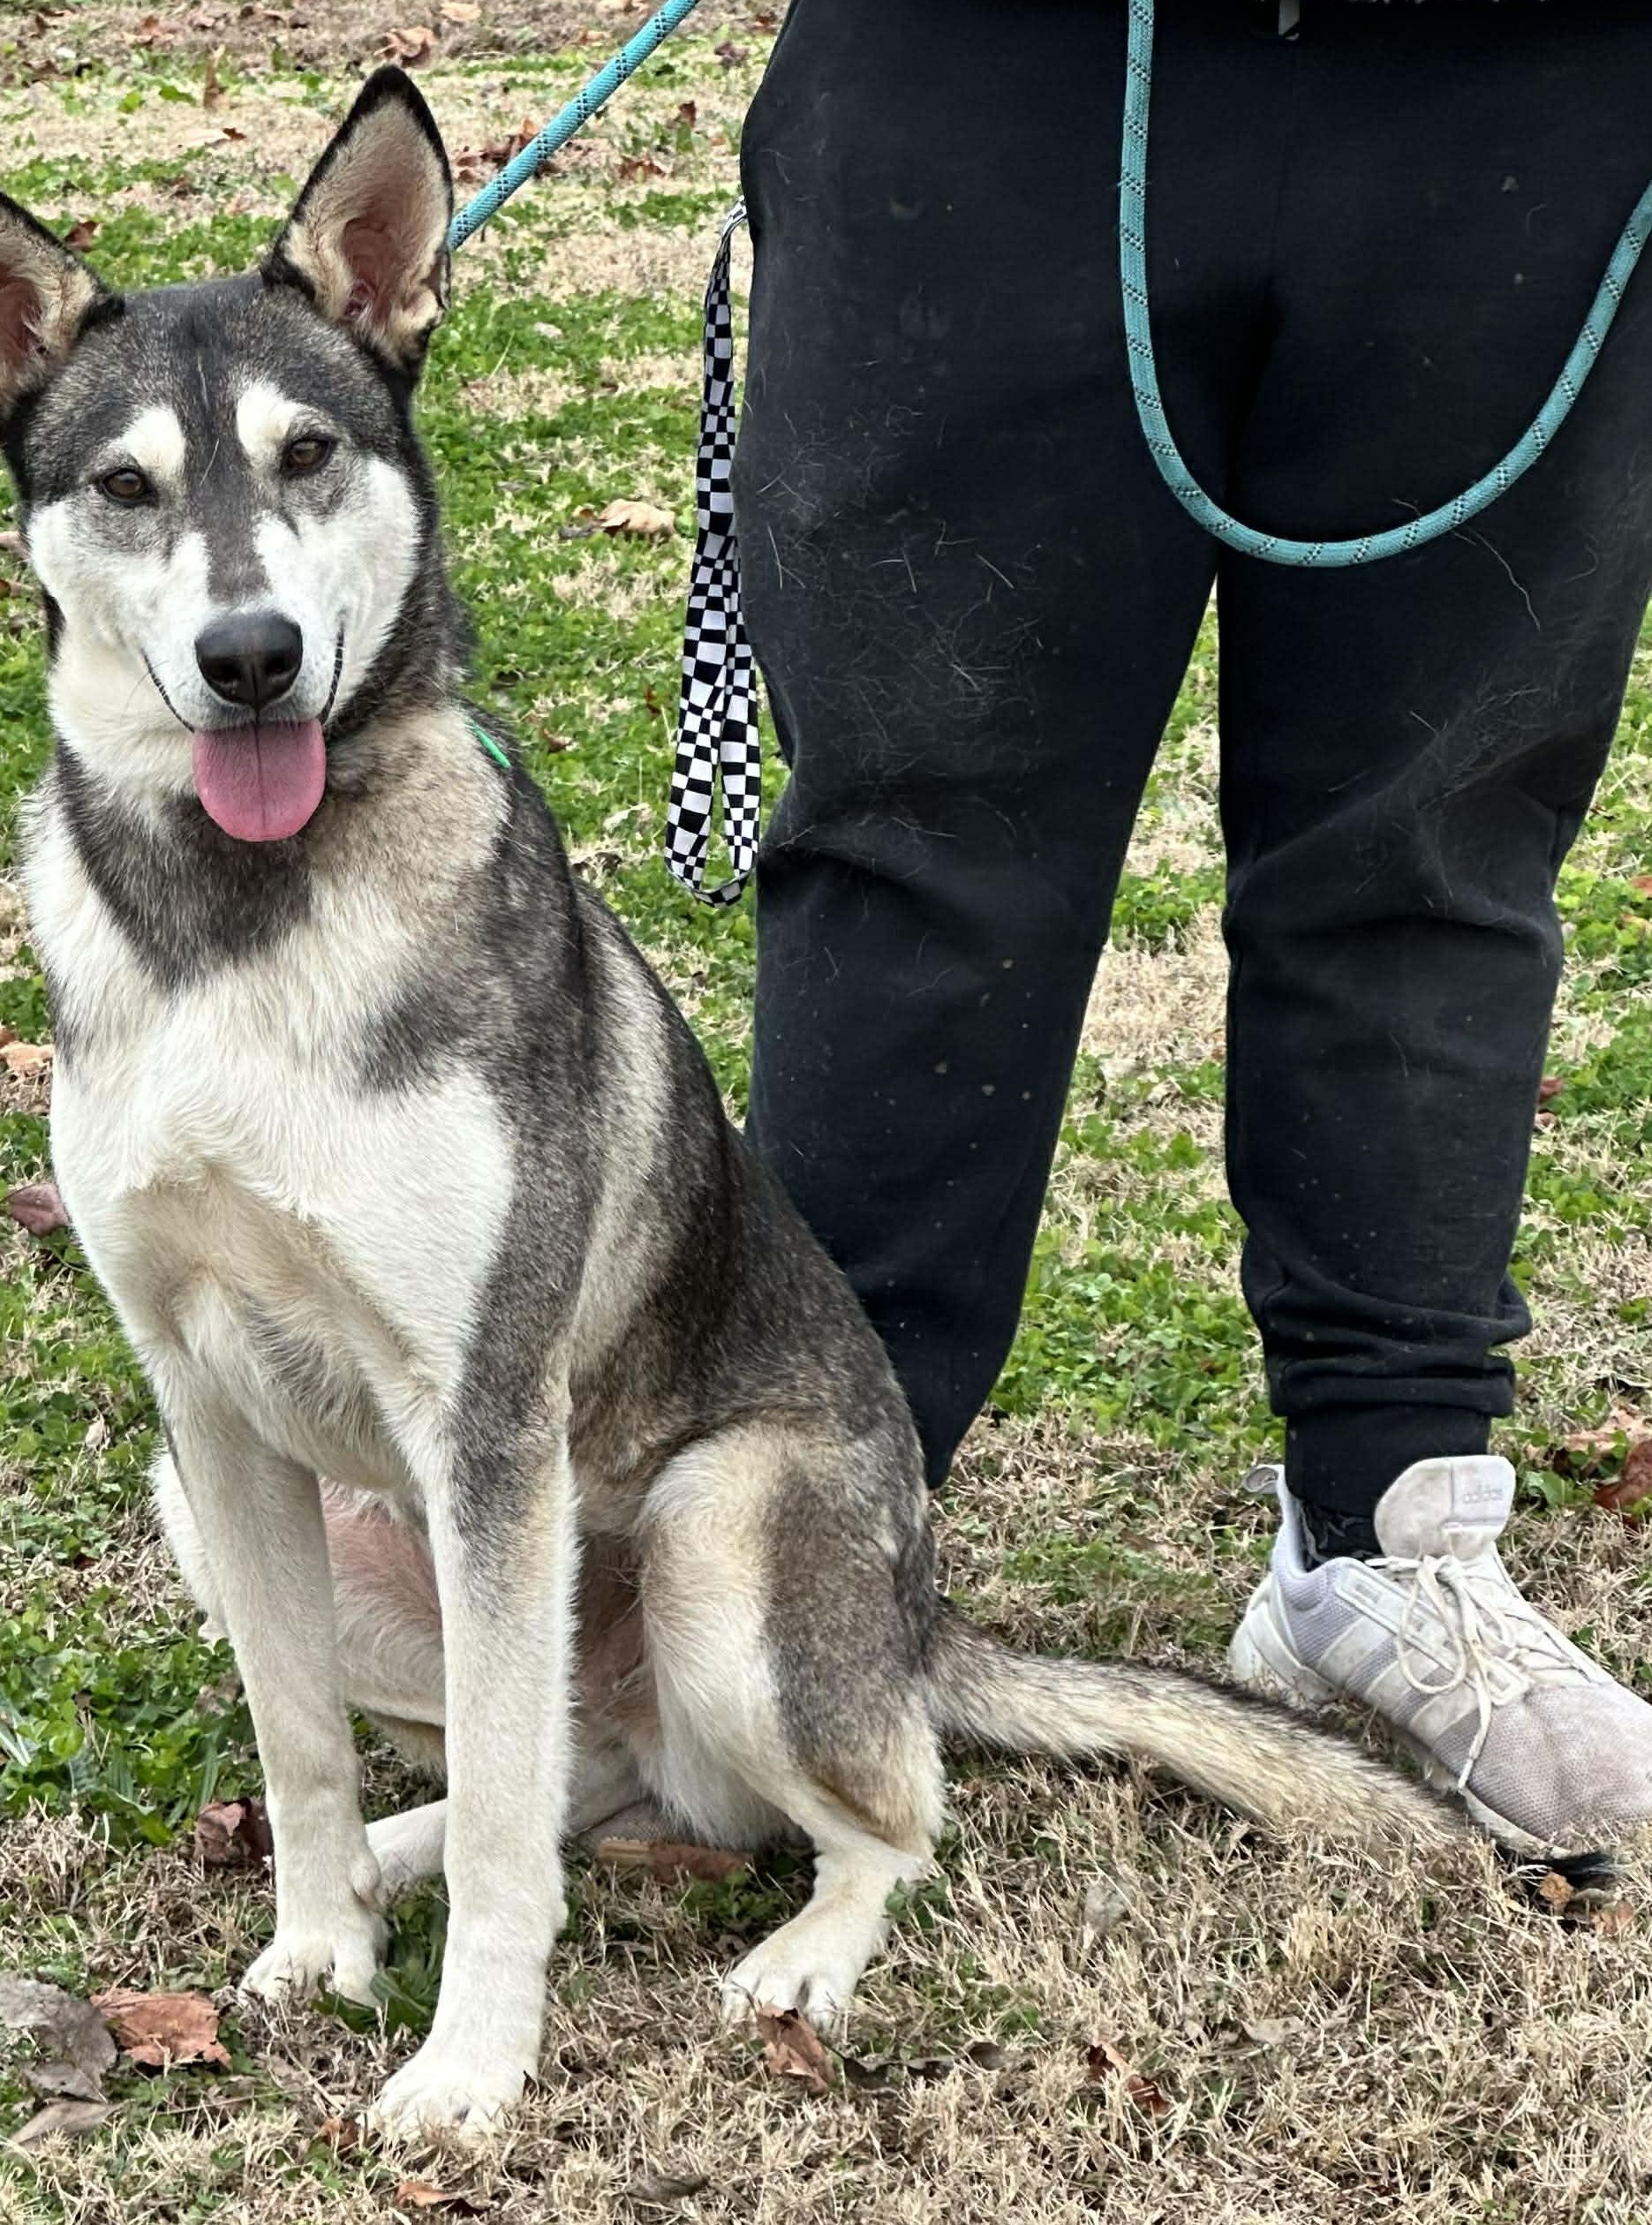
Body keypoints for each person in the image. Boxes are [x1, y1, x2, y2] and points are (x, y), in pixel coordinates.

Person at [731, 0, 1652, 1856]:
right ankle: (773, 1561)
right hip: (998, 72)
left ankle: (1385, 1537)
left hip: (1537, 92)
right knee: (921, 849)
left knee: (1432, 841)